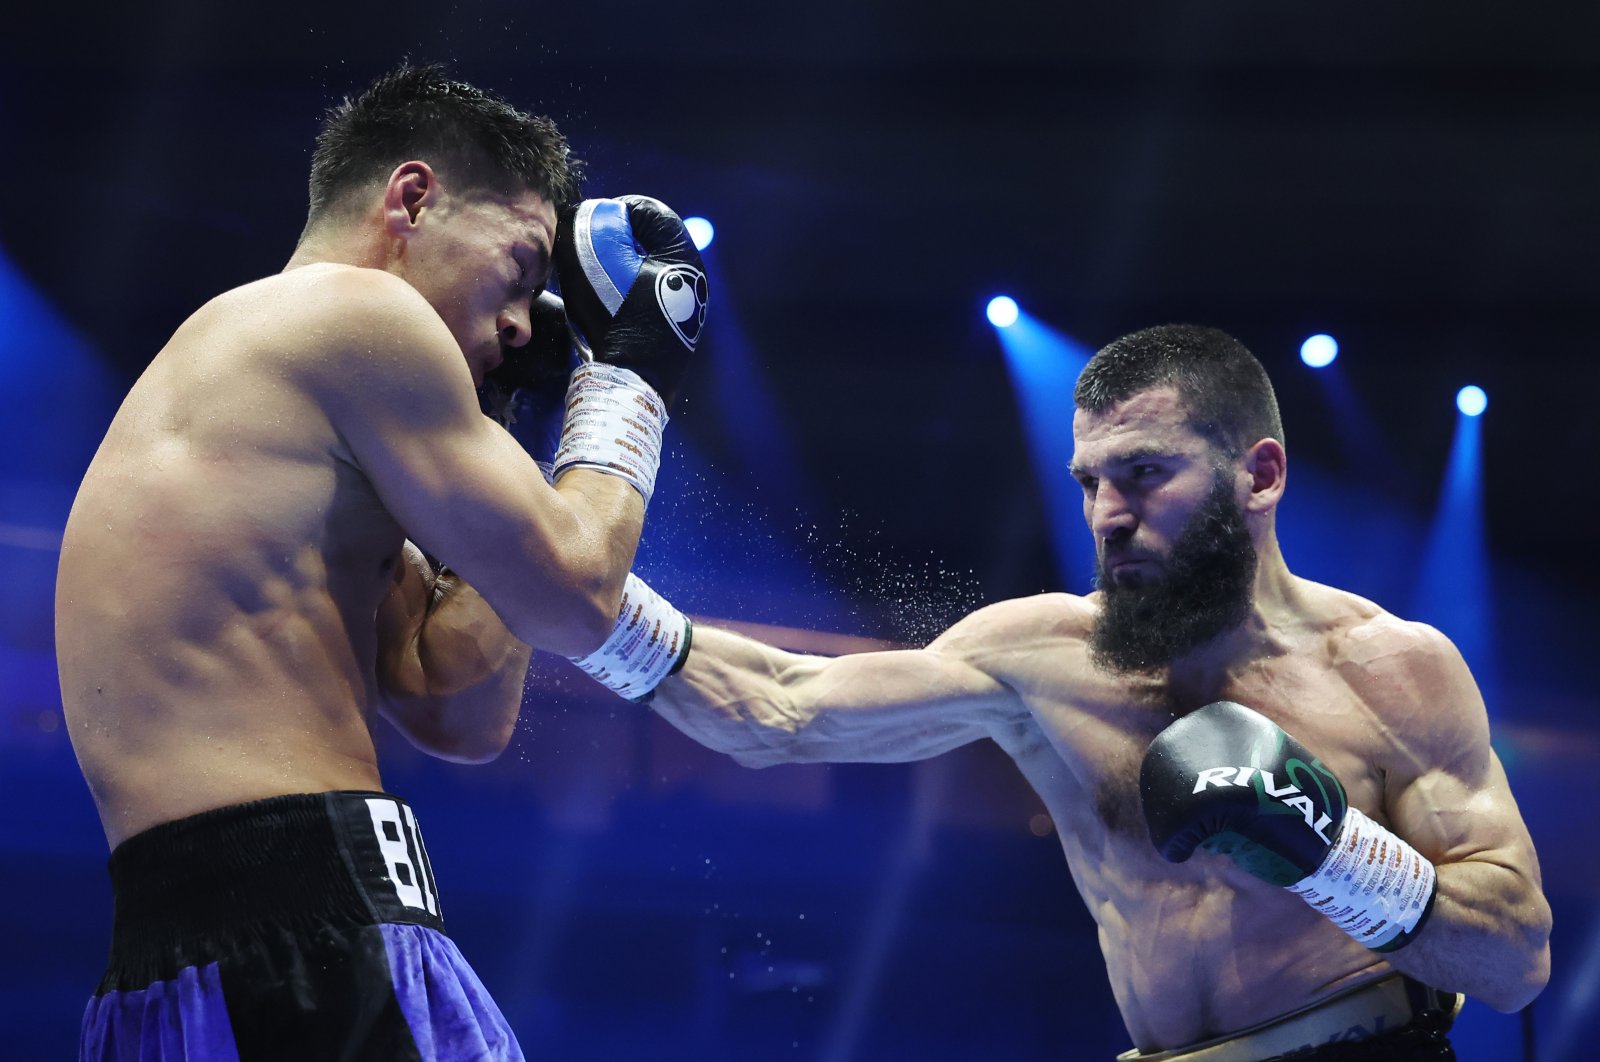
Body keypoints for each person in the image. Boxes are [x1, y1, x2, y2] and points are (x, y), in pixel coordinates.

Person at [641, 324, 1550, 1060]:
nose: (1109, 513)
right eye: (1089, 482)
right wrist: (584, 607)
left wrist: (1328, 850)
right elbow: (781, 707)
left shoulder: (1392, 668)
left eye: (1146, 472)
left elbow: (1513, 961)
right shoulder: (1042, 651)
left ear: (1261, 474)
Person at [57, 62, 701, 1059]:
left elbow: (454, 701)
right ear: (412, 197)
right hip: (315, 930)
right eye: (523, 267)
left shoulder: (264, 384)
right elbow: (576, 597)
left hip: (180, 965)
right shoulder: (356, 314)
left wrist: (505, 429)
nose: (527, 321)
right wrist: (628, 377)